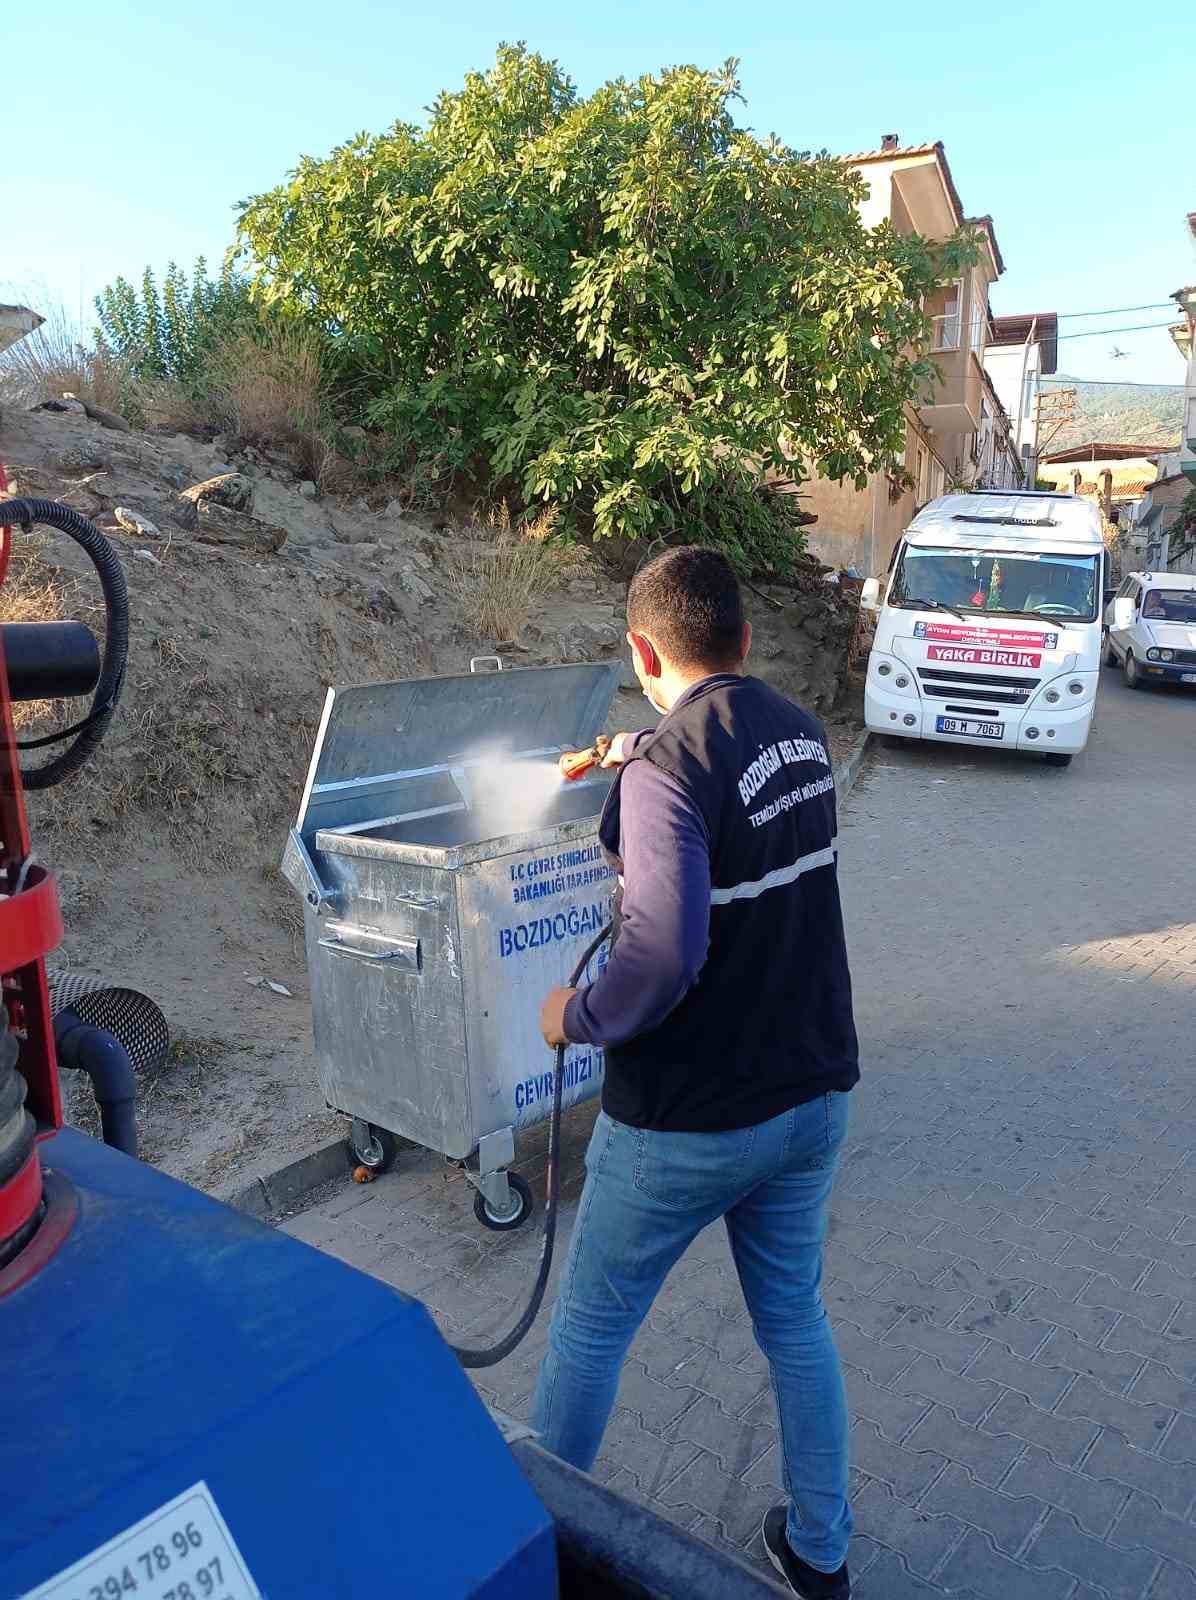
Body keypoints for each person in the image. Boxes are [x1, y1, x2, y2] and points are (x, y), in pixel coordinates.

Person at [536, 546, 860, 1599]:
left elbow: (662, 953)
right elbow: (741, 795)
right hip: (807, 1097)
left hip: (685, 1120)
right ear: (744, 640)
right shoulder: (802, 735)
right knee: (794, 1323)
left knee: (588, 1329)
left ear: (640, 649)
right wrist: (636, 751)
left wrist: (576, 1016)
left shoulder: (663, 775)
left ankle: (528, 1541)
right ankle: (818, 1551)